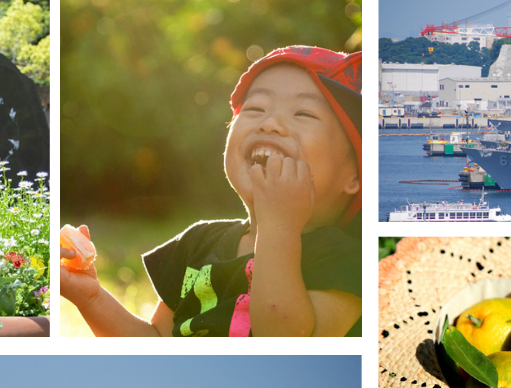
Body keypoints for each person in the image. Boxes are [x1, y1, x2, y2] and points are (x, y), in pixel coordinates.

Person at [60, 46, 362, 337]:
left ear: (354, 176)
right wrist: (91, 298)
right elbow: (155, 346)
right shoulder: (199, 245)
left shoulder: (349, 261)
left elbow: (283, 344)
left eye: (304, 114)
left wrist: (279, 225)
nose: (270, 123)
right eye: (256, 108)